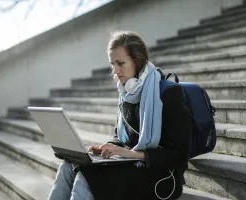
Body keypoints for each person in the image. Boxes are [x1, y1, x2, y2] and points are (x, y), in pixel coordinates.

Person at [47, 30, 192, 200]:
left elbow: (179, 155)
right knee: (68, 166)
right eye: (112, 64)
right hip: (131, 165)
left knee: (87, 177)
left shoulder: (168, 93)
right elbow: (120, 138)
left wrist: (130, 154)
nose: (115, 71)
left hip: (161, 176)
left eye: (121, 63)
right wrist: (103, 148)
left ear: (137, 61)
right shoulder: (127, 93)